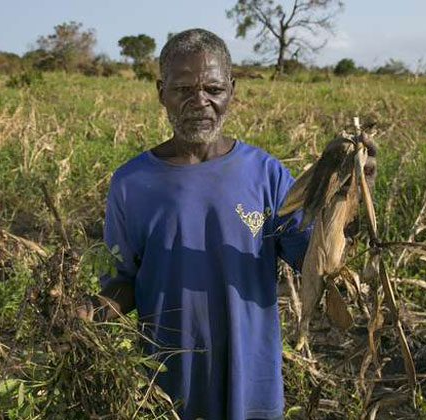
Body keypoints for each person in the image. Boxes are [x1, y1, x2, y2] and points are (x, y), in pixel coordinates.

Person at [93, 28, 375, 420]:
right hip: (167, 386)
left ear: (232, 90)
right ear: (161, 92)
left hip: (251, 381)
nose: (200, 102)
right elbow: (122, 280)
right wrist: (82, 319)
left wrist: (349, 193)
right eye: (183, 90)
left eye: (213, 88)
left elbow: (316, 262)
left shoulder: (265, 175)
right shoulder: (131, 183)